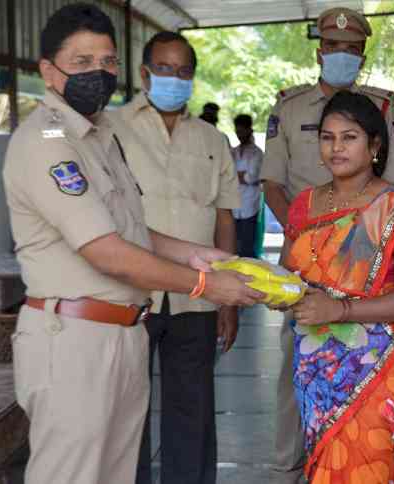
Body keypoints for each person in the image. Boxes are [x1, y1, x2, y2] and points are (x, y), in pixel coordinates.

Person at [2, 5, 262, 484]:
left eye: (107, 62)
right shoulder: (46, 140)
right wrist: (206, 284)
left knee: (119, 473)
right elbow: (106, 252)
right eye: (81, 63)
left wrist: (196, 253)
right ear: (47, 70)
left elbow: (132, 230)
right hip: (74, 340)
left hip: (124, 333)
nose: (97, 74)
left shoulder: (98, 137)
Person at [260, 7, 394, 478]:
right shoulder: (288, 107)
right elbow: (273, 183)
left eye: (352, 49)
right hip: (306, 256)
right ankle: (296, 461)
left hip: (368, 265)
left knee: (369, 375)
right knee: (300, 360)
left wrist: (357, 248)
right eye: (333, 47)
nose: (341, 55)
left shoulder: (383, 108)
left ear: (362, 55)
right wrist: (306, 239)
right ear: (319, 51)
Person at [281, 91, 394, 483]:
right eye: (327, 137)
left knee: (369, 466)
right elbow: (289, 274)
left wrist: (342, 311)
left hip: (379, 366)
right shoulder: (304, 203)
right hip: (316, 362)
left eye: (349, 137)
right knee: (326, 464)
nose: (336, 147)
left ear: (375, 146)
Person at [108, 31, 241, 484]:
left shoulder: (212, 140)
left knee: (193, 408)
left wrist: (228, 297)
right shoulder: (111, 129)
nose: (173, 79)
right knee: (129, 410)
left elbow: (224, 218)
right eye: (163, 69)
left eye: (183, 71)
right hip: (129, 293)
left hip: (197, 297)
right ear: (144, 73)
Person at [231, 114, 263, 258]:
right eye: (237, 131)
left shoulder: (257, 153)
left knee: (247, 247)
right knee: (233, 245)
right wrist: (240, 175)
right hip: (233, 205)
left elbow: (251, 177)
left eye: (242, 131)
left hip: (250, 205)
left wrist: (236, 175)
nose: (239, 135)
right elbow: (226, 175)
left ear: (249, 130)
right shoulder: (233, 151)